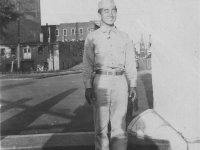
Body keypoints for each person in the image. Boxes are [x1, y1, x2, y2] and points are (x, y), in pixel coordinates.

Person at [83, 0, 138, 149]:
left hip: (120, 81)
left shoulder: (124, 37)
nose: (111, 14)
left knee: (119, 126)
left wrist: (132, 84)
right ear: (99, 13)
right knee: (100, 127)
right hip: (101, 81)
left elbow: (130, 63)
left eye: (114, 10)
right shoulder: (92, 37)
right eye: (106, 11)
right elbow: (87, 64)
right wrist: (88, 87)